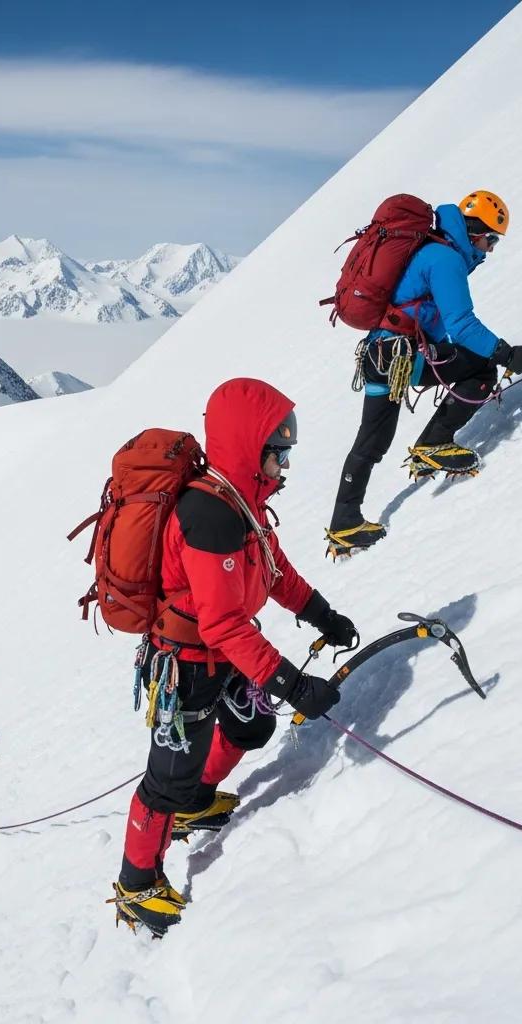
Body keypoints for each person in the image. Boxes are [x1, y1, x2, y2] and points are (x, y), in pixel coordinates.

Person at [111, 378, 357, 936]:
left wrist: (322, 614)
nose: (285, 463)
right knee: (165, 781)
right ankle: (136, 882)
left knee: (251, 727)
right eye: (279, 452)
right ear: (251, 448)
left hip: (220, 656)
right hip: (187, 665)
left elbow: (273, 572)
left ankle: (197, 801)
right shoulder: (212, 514)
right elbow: (221, 622)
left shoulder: (243, 503)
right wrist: (295, 686)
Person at [326, 190, 522, 557]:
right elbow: (462, 324)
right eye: (491, 240)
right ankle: (434, 443)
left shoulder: (431, 252)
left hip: (379, 357)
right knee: (482, 365)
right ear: (474, 232)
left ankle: (344, 522)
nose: (490, 250)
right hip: (402, 358)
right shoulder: (445, 259)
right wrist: (505, 353)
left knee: (370, 442)